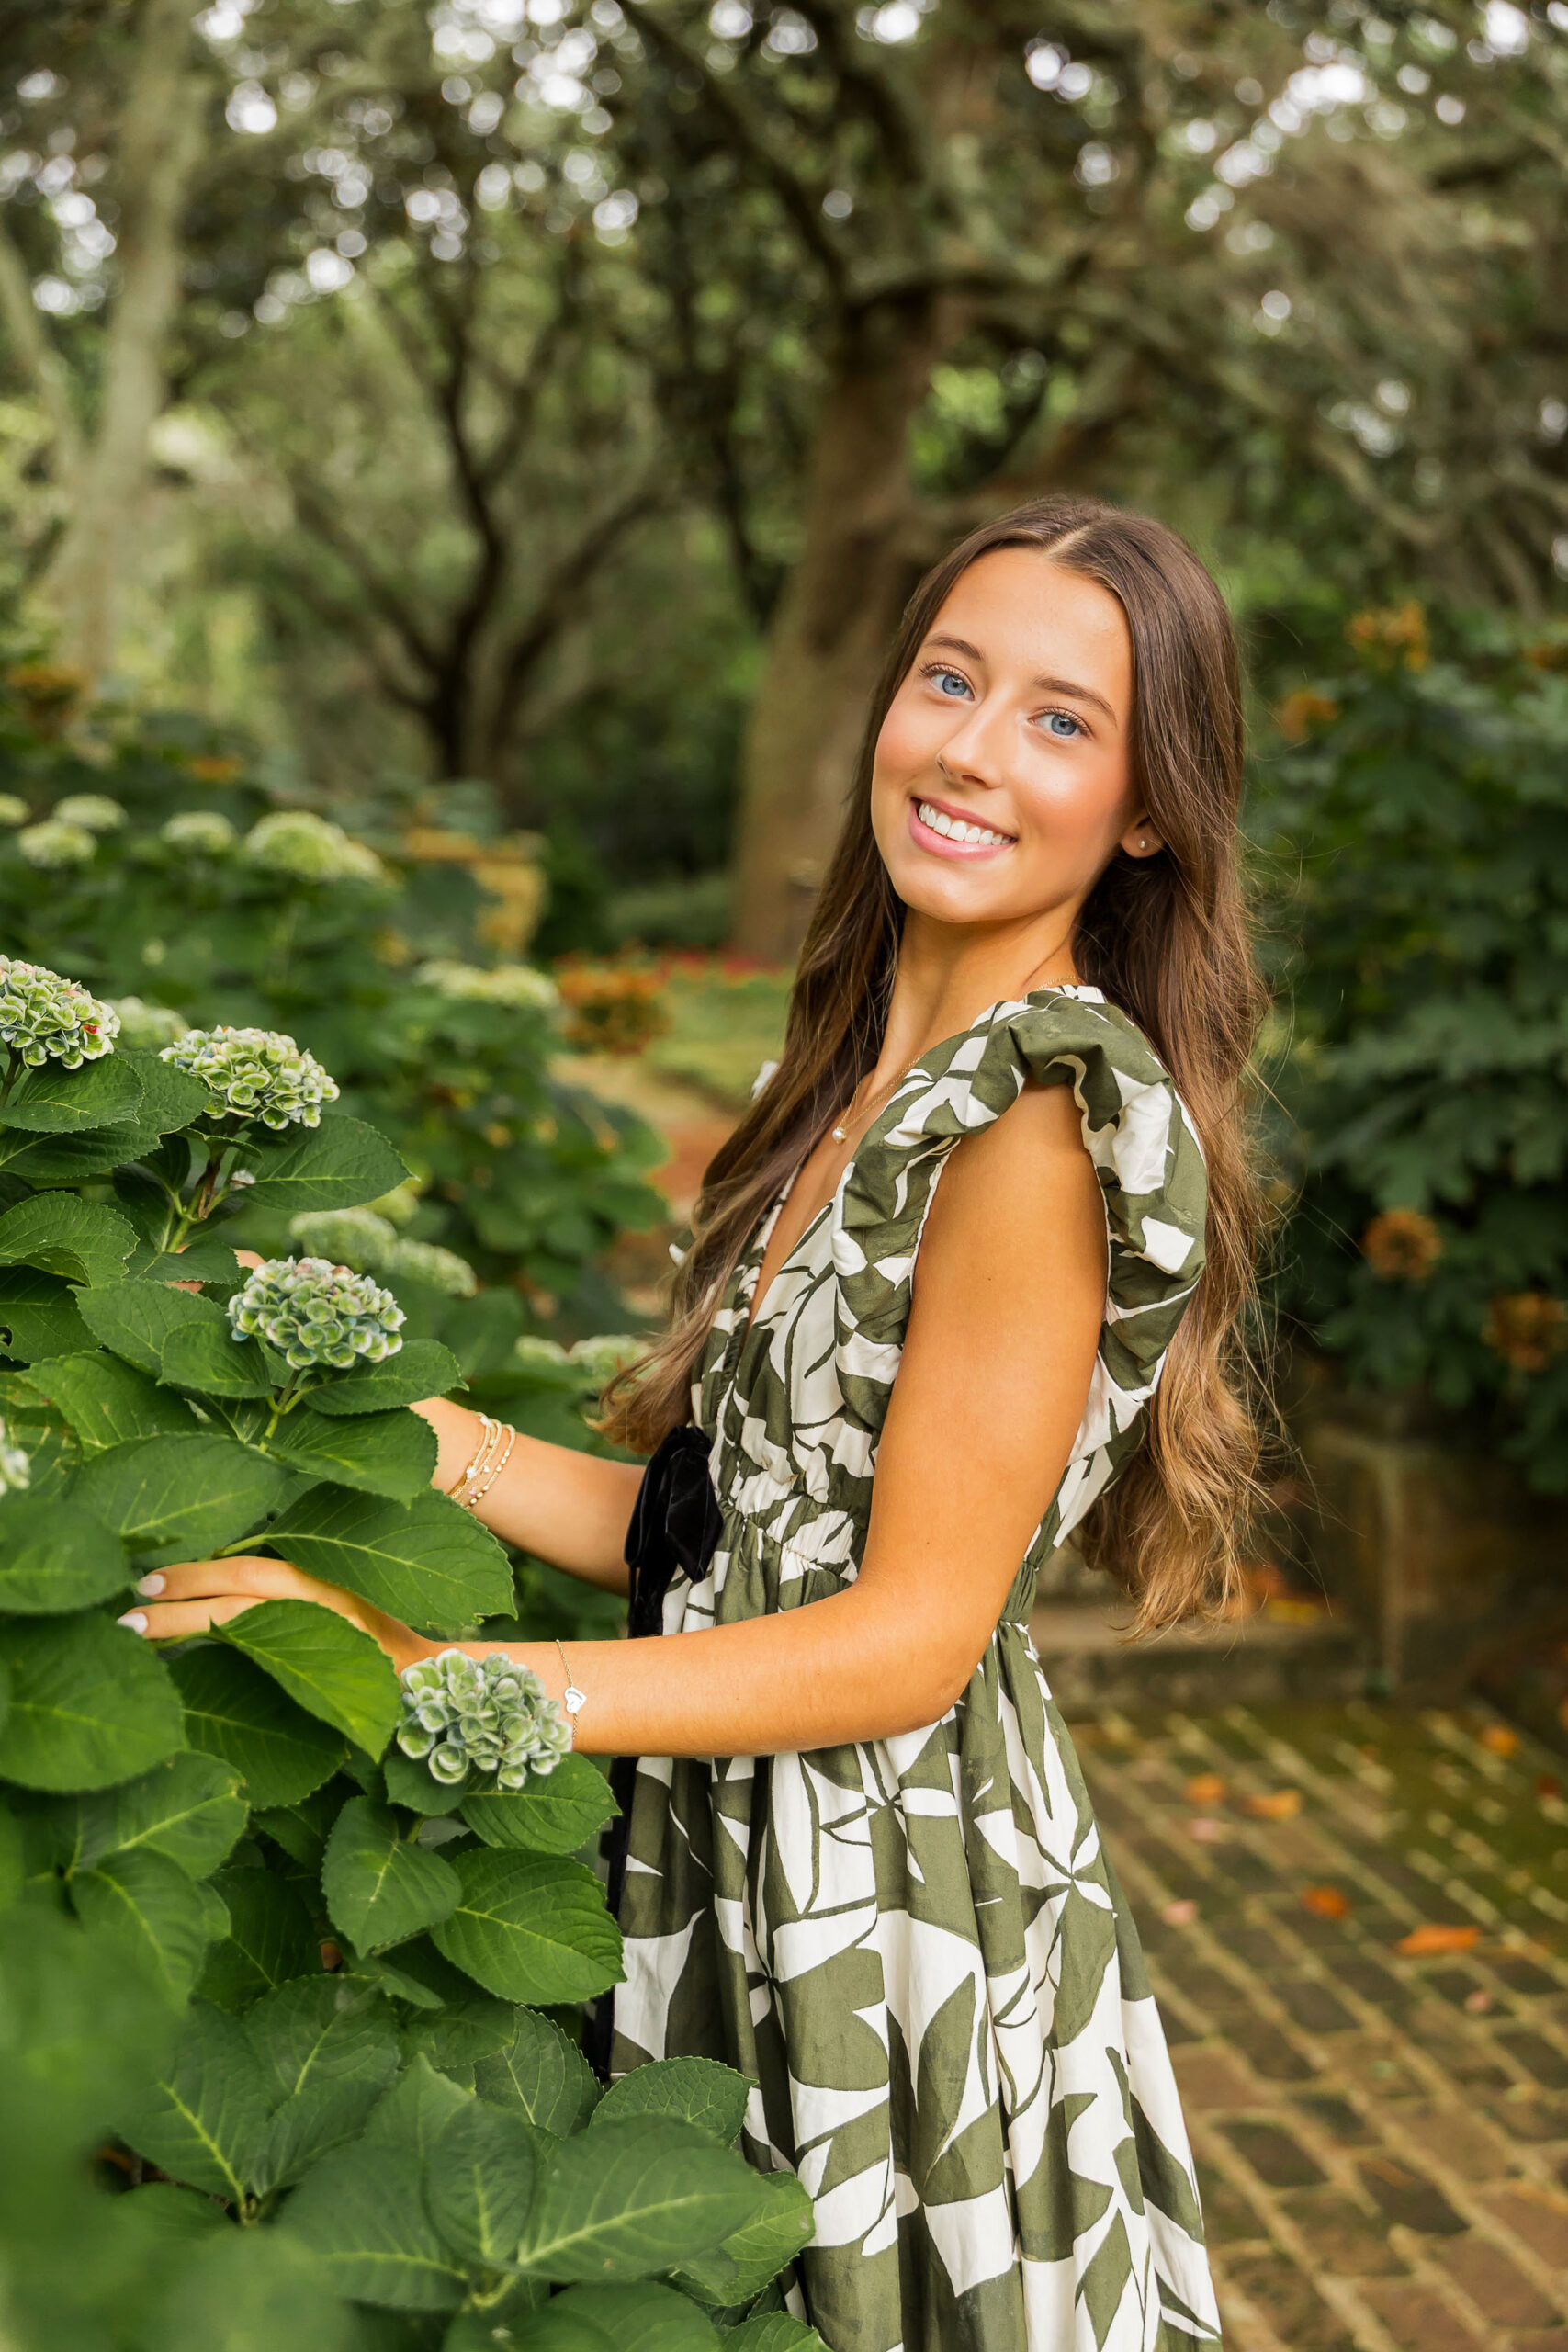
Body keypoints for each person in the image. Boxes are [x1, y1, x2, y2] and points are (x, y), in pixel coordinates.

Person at [129, 494, 1268, 2350]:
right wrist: (409, 1437)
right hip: (718, 1839)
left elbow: (903, 1638)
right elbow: (719, 1525)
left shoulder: (1039, 1115)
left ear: (1145, 804)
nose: (972, 748)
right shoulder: (851, 1064)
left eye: (1059, 718)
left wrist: (431, 1668)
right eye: (947, 680)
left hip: (877, 1908)